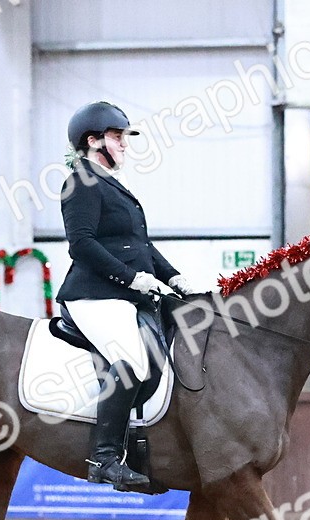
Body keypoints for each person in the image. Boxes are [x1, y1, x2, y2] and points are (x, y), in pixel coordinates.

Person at [56, 101, 204, 491]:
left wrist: (176, 280)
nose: (125, 144)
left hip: (122, 295)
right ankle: (104, 459)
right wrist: (131, 279)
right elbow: (81, 244)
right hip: (93, 296)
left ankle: (142, 450)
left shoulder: (112, 184)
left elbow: (140, 246)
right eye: (118, 137)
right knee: (131, 361)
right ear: (93, 141)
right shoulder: (80, 183)